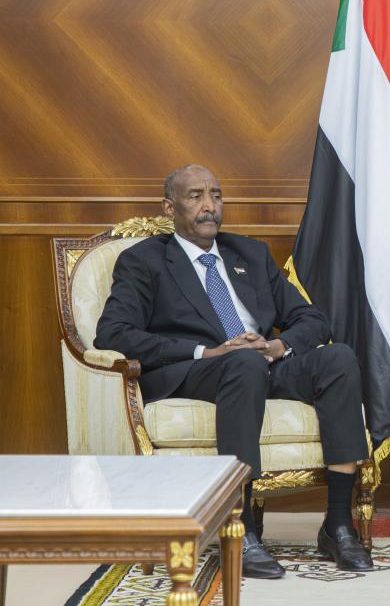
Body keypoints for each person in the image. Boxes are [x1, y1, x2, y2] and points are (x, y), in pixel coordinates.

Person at [96, 164, 373, 579]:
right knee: (242, 362)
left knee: (339, 358)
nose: (209, 206)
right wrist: (207, 351)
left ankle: (337, 524)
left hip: (260, 364)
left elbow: (313, 319)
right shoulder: (144, 261)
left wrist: (277, 346)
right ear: (169, 207)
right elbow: (113, 332)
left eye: (216, 195)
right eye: (195, 196)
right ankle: (240, 528)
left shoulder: (250, 254)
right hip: (194, 370)